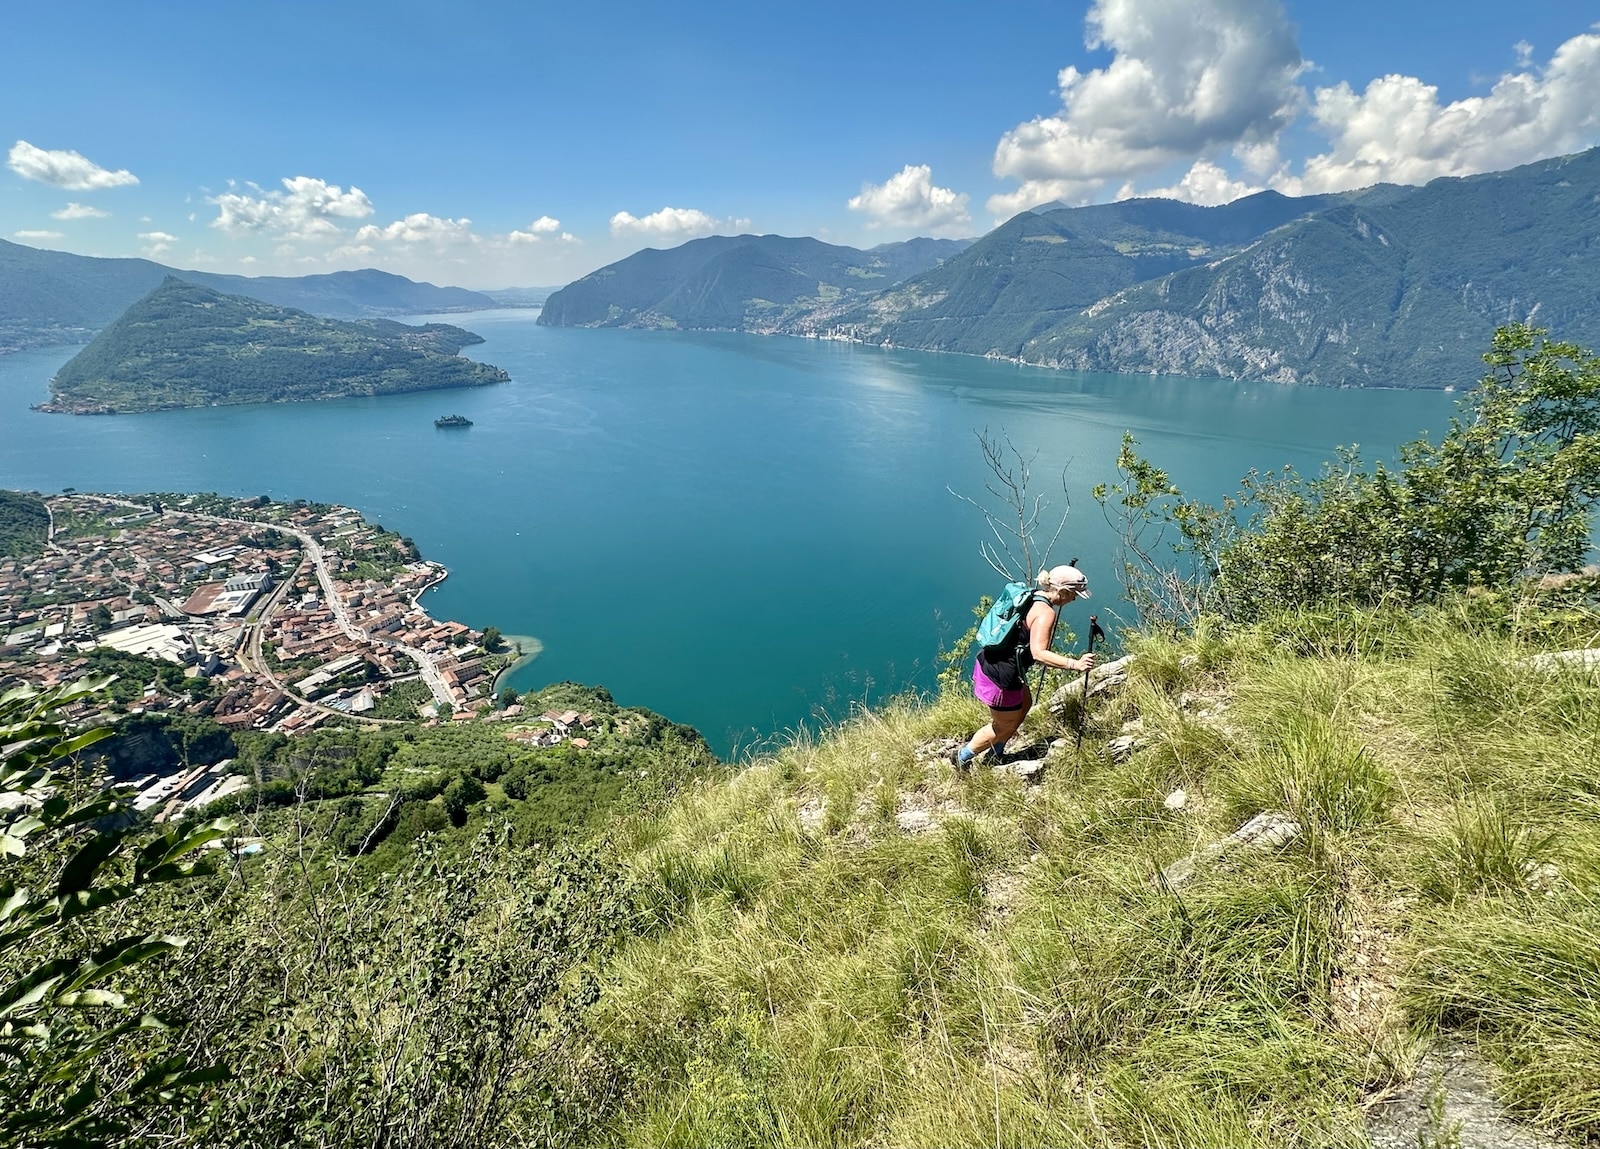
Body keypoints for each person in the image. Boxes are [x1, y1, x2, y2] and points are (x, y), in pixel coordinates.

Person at [954, 564, 1097, 769]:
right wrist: (1075, 664)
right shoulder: (1045, 613)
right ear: (1063, 592)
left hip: (990, 662)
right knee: (1002, 726)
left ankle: (996, 754)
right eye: (1074, 595)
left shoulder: (1030, 595)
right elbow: (1039, 654)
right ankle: (961, 757)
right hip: (1002, 678)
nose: (1074, 600)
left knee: (1025, 703)